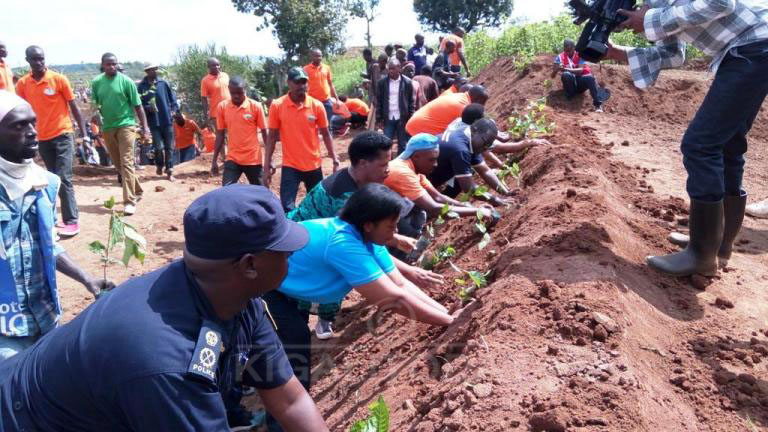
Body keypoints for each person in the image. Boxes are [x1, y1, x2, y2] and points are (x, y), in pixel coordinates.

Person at [0, 184, 330, 431]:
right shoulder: (167, 360)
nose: (292, 255)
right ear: (249, 265)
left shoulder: (236, 300)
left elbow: (289, 400)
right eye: (284, 252)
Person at [262, 183, 460, 431]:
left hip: (288, 288)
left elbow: (399, 284)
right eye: (392, 225)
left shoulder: (369, 238)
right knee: (293, 350)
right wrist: (450, 322)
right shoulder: (343, 243)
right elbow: (392, 300)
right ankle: (281, 423)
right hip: (266, 288)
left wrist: (447, 314)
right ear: (369, 224)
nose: (396, 231)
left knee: (292, 347)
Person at [604, 1, 768, 276]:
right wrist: (614, 52)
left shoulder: (657, 9)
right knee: (727, 145)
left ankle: (701, 255)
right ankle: (717, 247)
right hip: (749, 48)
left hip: (754, 44)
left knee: (700, 144)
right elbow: (673, 53)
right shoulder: (656, 4)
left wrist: (651, 20)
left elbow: (720, 2)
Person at [0, 92, 113, 361]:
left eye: (33, 123)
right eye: (18, 126)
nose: (31, 133)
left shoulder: (45, 184)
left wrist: (87, 279)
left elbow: (48, 244)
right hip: (6, 329)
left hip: (45, 318)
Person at [16, 46, 89, 237]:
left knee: (64, 178)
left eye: (41, 59)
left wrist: (85, 134)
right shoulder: (23, 84)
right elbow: (21, 111)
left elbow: (74, 107)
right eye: (34, 60)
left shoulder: (58, 79)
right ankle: (52, 219)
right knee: (52, 179)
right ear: (28, 61)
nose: (39, 63)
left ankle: (71, 220)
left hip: (63, 134)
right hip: (42, 138)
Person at [384, 133, 495, 236]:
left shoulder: (414, 170)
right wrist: (477, 211)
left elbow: (438, 197)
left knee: (418, 216)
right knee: (408, 234)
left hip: (392, 209)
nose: (436, 164)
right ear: (417, 156)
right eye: (431, 160)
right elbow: (434, 208)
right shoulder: (403, 172)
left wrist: (465, 206)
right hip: (378, 218)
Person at [264, 67, 339, 211]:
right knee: (287, 206)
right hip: (290, 165)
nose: (302, 86)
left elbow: (326, 133)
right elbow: (272, 137)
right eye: (298, 82)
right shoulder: (277, 106)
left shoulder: (316, 105)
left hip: (313, 165)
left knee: (317, 206)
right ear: (289, 83)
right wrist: (267, 165)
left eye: (304, 82)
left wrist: (334, 158)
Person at [91, 52, 151, 216]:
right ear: (102, 65)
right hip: (108, 127)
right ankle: (137, 189)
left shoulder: (126, 82)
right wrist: (96, 114)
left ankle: (129, 202)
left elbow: (138, 106)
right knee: (118, 165)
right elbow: (95, 104)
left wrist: (145, 128)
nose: (112, 67)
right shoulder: (97, 82)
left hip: (127, 125)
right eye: (109, 64)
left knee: (126, 163)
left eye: (114, 64)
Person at [428, 115, 512, 206]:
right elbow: (469, 188)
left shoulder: (469, 138)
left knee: (465, 174)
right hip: (416, 179)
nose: (485, 147)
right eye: (484, 141)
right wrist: (495, 200)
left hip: (429, 177)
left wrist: (505, 192)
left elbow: (485, 171)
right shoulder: (461, 150)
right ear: (474, 131)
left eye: (489, 145)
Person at [210, 76, 267, 187]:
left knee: (261, 192)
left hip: (253, 159)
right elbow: (220, 134)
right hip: (233, 158)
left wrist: (270, 159)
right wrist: (214, 160)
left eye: (240, 93)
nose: (236, 96)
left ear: (245, 90)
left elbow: (265, 133)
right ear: (229, 91)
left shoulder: (256, 106)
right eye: (233, 93)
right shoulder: (222, 107)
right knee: (226, 191)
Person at [138, 65, 179, 180]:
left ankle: (170, 170)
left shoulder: (163, 83)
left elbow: (173, 100)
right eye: (152, 69)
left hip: (167, 119)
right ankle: (160, 164)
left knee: (169, 147)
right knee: (159, 147)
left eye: (155, 69)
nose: (155, 71)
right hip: (153, 122)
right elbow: (138, 105)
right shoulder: (142, 86)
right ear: (147, 71)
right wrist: (147, 108)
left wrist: (173, 110)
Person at [406, 85, 488, 136]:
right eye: (483, 102)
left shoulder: (459, 96)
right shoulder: (463, 106)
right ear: (477, 99)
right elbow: (474, 132)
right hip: (420, 130)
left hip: (416, 125)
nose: (483, 106)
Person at [553, 39, 606, 112]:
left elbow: (580, 70)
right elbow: (552, 75)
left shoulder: (579, 55)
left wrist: (565, 69)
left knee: (590, 78)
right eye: (566, 50)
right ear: (564, 49)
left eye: (570, 50)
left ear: (574, 47)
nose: (568, 52)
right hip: (570, 85)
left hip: (579, 82)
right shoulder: (559, 57)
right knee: (566, 75)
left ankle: (598, 105)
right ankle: (570, 96)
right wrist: (557, 69)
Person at [376, 59, 414, 154]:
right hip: (388, 117)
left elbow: (411, 102)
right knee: (386, 143)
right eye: (389, 69)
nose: (390, 71)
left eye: (393, 68)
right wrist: (379, 118)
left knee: (402, 143)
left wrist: (411, 117)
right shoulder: (382, 83)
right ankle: (387, 163)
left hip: (402, 117)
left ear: (399, 69)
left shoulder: (407, 82)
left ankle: (401, 163)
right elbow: (379, 101)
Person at [304, 48, 339, 124]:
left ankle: (328, 135)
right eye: (316, 56)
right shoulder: (306, 69)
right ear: (311, 57)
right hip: (312, 102)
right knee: (312, 123)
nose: (319, 58)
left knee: (327, 123)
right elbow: (304, 86)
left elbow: (330, 84)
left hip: (327, 101)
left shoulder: (326, 68)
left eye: (320, 56)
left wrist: (337, 100)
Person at [200, 57, 230, 133]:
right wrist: (206, 117)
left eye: (218, 65)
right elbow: (204, 98)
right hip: (216, 113)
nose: (216, 67)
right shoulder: (205, 80)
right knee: (220, 136)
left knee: (233, 133)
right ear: (208, 67)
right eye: (213, 65)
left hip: (230, 110)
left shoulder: (225, 76)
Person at [367, 53, 388, 130]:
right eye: (378, 61)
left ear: (385, 62)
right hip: (375, 96)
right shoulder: (375, 67)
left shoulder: (388, 71)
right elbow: (372, 83)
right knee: (373, 117)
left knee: (384, 117)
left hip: (385, 97)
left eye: (381, 62)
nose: (379, 63)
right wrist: (373, 97)